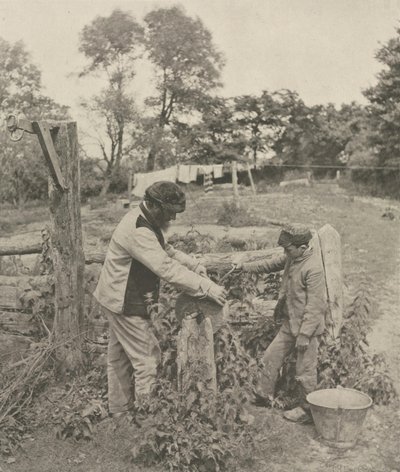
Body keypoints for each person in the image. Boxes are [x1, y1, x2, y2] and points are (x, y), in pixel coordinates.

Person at [93, 181, 227, 419]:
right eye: (170, 213)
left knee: (119, 356)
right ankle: (148, 419)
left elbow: (168, 251)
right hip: (124, 302)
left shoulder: (145, 219)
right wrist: (206, 287)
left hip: (115, 297)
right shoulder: (138, 230)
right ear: (155, 206)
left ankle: (119, 412)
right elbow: (166, 268)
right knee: (147, 358)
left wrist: (195, 265)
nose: (173, 219)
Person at [237, 223, 327, 422]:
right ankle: (262, 394)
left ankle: (308, 411)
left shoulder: (313, 269)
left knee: (305, 370)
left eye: (288, 249)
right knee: (270, 356)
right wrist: (244, 267)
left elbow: (315, 306)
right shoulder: (292, 257)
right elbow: (269, 264)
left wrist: (304, 335)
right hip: (290, 323)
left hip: (307, 329)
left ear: (302, 248)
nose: (285, 252)